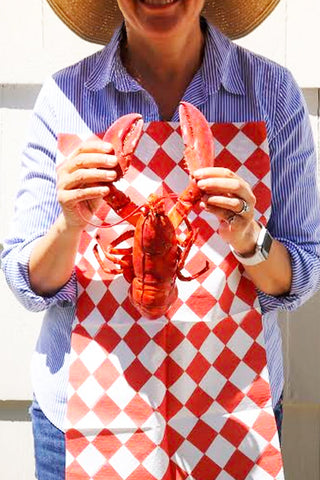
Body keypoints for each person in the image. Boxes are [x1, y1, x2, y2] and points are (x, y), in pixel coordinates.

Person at [2, 0, 320, 478]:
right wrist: (69, 224)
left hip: (230, 406)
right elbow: (27, 281)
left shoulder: (271, 92)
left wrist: (249, 235)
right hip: (88, 413)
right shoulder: (65, 95)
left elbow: (303, 272)